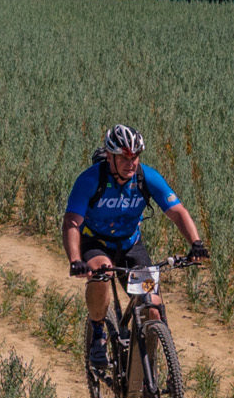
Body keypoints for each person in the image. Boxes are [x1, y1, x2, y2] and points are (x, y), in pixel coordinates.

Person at [63, 124, 209, 371]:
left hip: (130, 244)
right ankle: (98, 332)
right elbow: (71, 222)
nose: (130, 163)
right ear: (110, 157)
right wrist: (76, 260)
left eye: (135, 157)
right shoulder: (90, 180)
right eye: (124, 158)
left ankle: (147, 374)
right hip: (95, 242)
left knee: (152, 308)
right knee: (103, 271)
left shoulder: (146, 177)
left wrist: (196, 243)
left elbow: (177, 212)